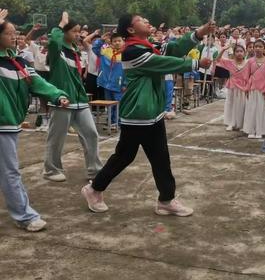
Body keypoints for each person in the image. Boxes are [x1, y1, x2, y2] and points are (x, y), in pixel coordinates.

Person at [81, 15, 214, 216]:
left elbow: (173, 48)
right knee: (124, 157)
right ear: (131, 30)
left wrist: (200, 32)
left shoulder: (147, 46)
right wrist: (195, 64)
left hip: (152, 113)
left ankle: (166, 199)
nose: (146, 20)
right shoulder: (132, 51)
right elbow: (163, 62)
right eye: (141, 19)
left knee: (159, 158)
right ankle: (94, 189)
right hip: (137, 113)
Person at [0, 9, 70, 232]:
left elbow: (39, 83)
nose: (15, 37)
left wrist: (57, 95)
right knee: (11, 172)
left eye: (16, 33)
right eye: (9, 33)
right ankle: (25, 216)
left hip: (10, 123)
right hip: (3, 124)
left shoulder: (19, 62)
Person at [43, 12, 103, 182]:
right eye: (74, 31)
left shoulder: (76, 51)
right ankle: (51, 169)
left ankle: (95, 171)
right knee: (57, 137)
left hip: (80, 101)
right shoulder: (57, 51)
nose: (78, 34)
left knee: (91, 133)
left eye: (79, 31)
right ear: (65, 32)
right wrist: (61, 24)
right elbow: (54, 40)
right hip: (63, 100)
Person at [243, 40, 265, 139]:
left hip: (263, 89)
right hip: (252, 88)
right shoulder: (250, 61)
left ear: (264, 49)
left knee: (261, 109)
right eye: (255, 46)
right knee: (251, 109)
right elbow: (246, 76)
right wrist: (246, 89)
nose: (257, 48)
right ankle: (251, 130)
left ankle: (260, 130)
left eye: (260, 47)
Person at [92, 32, 126, 127]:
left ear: (123, 42)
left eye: (119, 41)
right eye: (115, 41)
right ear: (111, 43)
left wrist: (125, 84)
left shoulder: (126, 54)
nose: (117, 43)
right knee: (109, 103)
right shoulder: (105, 51)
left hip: (118, 84)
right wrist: (101, 40)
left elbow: (128, 71)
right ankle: (111, 121)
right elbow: (95, 48)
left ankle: (118, 121)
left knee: (119, 103)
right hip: (106, 83)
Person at [216, 44, 249, 131]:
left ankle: (242, 124)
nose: (239, 53)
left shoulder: (248, 63)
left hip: (243, 87)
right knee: (231, 104)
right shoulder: (230, 62)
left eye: (241, 51)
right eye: (237, 51)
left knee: (243, 105)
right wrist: (223, 49)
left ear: (245, 53)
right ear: (234, 53)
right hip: (232, 86)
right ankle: (231, 123)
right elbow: (218, 59)